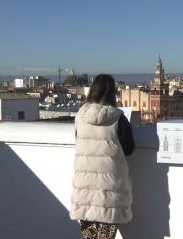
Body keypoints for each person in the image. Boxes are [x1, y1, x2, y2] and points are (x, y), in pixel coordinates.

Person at [70, 74, 135, 239]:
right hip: (109, 193)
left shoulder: (80, 117)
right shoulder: (118, 119)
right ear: (112, 93)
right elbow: (128, 148)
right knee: (105, 237)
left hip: (84, 191)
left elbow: (78, 140)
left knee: (89, 237)